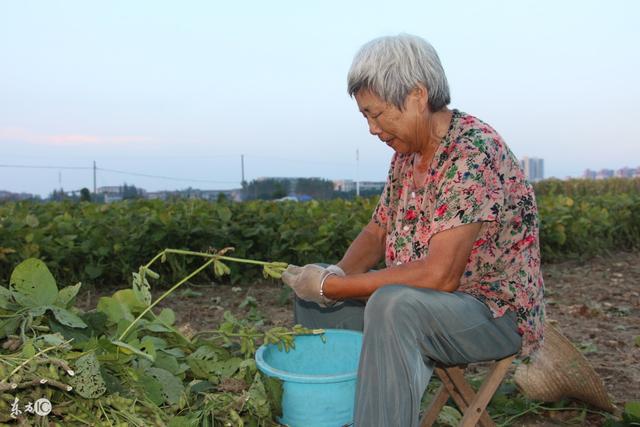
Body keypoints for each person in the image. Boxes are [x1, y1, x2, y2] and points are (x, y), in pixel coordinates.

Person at [281, 33, 545, 427]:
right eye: (365, 117)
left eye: (377, 113)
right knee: (317, 300)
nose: (372, 128)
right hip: (422, 302)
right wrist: (332, 276)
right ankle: (340, 412)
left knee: (391, 305)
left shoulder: (471, 152)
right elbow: (377, 231)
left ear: (418, 96)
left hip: (491, 313)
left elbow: (440, 275)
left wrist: (331, 286)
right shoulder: (407, 156)